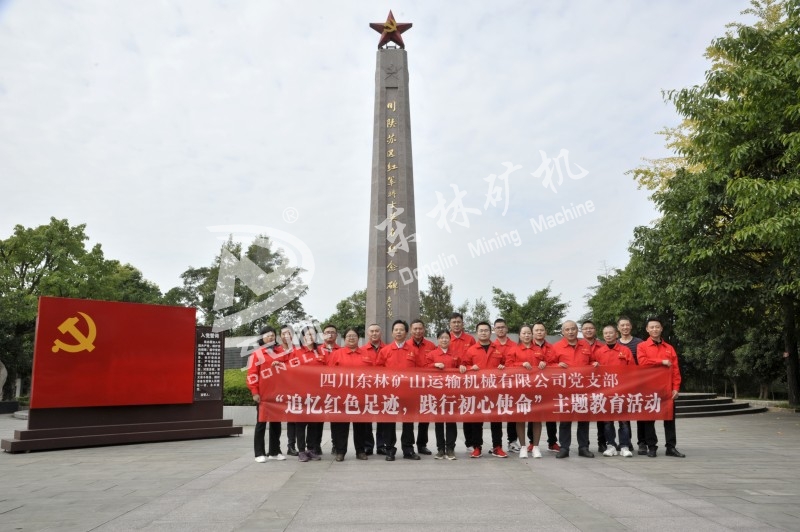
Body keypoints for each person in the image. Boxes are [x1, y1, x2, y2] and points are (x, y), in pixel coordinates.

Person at [637, 317, 685, 458]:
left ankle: (671, 447)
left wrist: (676, 388)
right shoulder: (642, 346)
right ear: (647, 329)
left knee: (669, 419)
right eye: (651, 327)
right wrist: (661, 362)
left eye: (657, 327)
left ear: (661, 329)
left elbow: (675, 370)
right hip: (649, 389)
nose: (655, 329)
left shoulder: (669, 348)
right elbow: (643, 362)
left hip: (667, 389)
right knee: (649, 419)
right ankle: (652, 447)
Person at [375, 320, 420, 461]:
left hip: (409, 392)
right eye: (396, 329)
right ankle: (389, 449)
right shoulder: (385, 351)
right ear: (392, 333)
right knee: (389, 422)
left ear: (406, 333)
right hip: (390, 393)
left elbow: (421, 370)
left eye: (401, 330)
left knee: (408, 422)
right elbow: (378, 371)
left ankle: (408, 449)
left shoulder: (414, 351)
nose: (398, 332)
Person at [462, 321, 508, 458]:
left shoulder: (498, 349)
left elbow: (507, 365)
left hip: (495, 390)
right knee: (477, 420)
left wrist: (503, 367)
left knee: (496, 420)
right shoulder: (471, 350)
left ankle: (497, 447)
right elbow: (463, 367)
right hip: (477, 391)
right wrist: (470, 368)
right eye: (481, 330)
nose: (483, 333)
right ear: (477, 333)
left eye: (486, 330)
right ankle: (477, 447)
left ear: (490, 332)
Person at [327, 328, 374, 461]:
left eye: (354, 336)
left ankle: (360, 451)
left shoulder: (367, 354)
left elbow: (374, 374)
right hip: (342, 395)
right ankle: (340, 451)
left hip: (361, 395)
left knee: (361, 425)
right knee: (341, 425)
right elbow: (329, 374)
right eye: (348, 336)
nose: (351, 338)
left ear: (358, 338)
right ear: (344, 339)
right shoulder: (337, 354)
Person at [591, 325, 635, 457]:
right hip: (605, 391)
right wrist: (594, 366)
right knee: (607, 421)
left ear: (616, 334)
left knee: (624, 421)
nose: (608, 335)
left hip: (622, 390)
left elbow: (633, 370)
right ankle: (611, 445)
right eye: (605, 333)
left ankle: (624, 446)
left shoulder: (625, 350)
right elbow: (592, 371)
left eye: (611, 333)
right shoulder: (599, 352)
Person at [552, 320, 594, 458]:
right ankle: (564, 448)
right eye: (567, 329)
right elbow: (548, 365)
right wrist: (557, 366)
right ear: (562, 332)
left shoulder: (585, 345)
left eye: (573, 329)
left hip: (583, 388)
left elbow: (592, 360)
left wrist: (594, 363)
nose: (570, 332)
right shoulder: (556, 347)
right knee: (565, 420)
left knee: (583, 419)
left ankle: (583, 447)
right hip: (565, 389)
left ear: (577, 330)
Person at [247, 326, 287, 462]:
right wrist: (254, 392)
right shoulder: (257, 354)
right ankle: (259, 453)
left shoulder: (280, 352)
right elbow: (252, 374)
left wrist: (280, 364)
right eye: (267, 335)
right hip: (263, 394)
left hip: (278, 393)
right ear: (262, 338)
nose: (270, 337)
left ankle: (274, 451)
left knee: (276, 423)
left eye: (272, 335)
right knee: (261, 423)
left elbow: (289, 368)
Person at [425, 330, 466, 460]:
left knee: (451, 422)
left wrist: (462, 367)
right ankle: (440, 449)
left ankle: (450, 448)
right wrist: (434, 365)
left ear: (450, 339)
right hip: (436, 393)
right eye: (441, 338)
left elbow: (462, 366)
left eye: (446, 338)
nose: (444, 340)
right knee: (438, 422)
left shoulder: (455, 354)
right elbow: (424, 368)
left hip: (451, 393)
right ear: (437, 340)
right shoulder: (432, 354)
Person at [290, 325, 327, 462]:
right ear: (303, 337)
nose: (310, 337)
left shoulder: (322, 352)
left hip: (317, 393)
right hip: (300, 393)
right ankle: (301, 451)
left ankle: (311, 449)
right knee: (300, 423)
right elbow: (290, 371)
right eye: (307, 334)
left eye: (313, 334)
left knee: (314, 423)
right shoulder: (296, 352)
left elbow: (328, 371)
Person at [505, 325, 541, 458]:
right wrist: (521, 364)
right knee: (520, 418)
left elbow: (549, 363)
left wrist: (544, 364)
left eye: (529, 333)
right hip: (519, 389)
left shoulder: (538, 350)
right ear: (519, 335)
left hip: (536, 388)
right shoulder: (513, 349)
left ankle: (536, 447)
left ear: (532, 335)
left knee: (536, 418)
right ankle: (523, 447)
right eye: (524, 333)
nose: (526, 335)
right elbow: (508, 365)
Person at [617, 316, 647, 455]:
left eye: (627, 325)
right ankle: (626, 442)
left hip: (638, 383)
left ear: (631, 326)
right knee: (624, 414)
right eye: (622, 325)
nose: (625, 327)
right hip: (621, 385)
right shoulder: (616, 344)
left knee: (641, 414)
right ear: (618, 328)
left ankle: (642, 443)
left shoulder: (640, 343)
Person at [491, 319, 521, 453]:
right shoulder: (491, 346)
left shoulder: (515, 345)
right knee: (495, 415)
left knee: (512, 414)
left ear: (507, 328)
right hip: (495, 385)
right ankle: (496, 444)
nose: (500, 329)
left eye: (502, 327)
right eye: (497, 327)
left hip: (511, 384)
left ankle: (512, 441)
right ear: (494, 330)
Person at [530, 322, 560, 454]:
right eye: (536, 330)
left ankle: (552, 442)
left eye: (541, 330)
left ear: (545, 332)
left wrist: (547, 365)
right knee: (533, 415)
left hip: (549, 386)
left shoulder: (552, 348)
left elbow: (556, 363)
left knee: (551, 415)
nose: (539, 332)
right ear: (532, 333)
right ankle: (532, 442)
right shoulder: (528, 347)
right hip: (533, 386)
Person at [409, 319, 436, 455]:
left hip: (426, 386)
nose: (418, 331)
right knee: (408, 418)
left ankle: (422, 445)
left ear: (424, 330)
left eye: (420, 328)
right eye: (415, 329)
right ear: (411, 330)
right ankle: (408, 445)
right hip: (409, 386)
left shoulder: (431, 345)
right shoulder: (405, 345)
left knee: (424, 417)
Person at [581, 320, 607, 454]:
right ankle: (584, 445)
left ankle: (602, 443)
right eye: (585, 328)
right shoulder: (579, 346)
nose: (588, 330)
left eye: (591, 328)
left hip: (599, 384)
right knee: (584, 415)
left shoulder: (603, 346)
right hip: (581, 386)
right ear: (581, 331)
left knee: (601, 414)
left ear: (595, 330)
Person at [363, 323, 386, 455]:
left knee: (383, 418)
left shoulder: (388, 349)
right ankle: (368, 445)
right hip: (367, 389)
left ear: (380, 333)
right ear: (368, 334)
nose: (374, 333)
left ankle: (381, 445)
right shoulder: (361, 351)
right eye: (371, 331)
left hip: (383, 389)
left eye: (377, 331)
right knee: (367, 418)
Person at [279, 324, 299, 457]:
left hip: (296, 389)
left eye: (289, 333)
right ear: (280, 336)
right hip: (279, 390)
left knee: (294, 418)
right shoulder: (275, 351)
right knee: (276, 420)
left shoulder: (299, 351)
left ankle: (292, 446)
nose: (286, 336)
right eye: (283, 333)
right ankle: (276, 448)